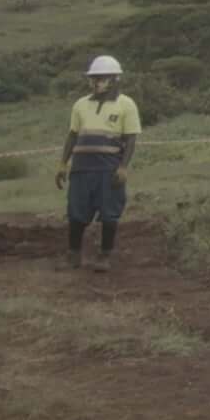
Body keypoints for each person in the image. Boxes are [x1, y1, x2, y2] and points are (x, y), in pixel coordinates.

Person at [55, 55, 142, 271]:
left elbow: (131, 138)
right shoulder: (80, 105)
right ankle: (73, 256)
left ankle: (105, 256)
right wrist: (63, 164)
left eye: (101, 77)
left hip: (108, 169)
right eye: (94, 78)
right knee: (76, 212)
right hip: (81, 169)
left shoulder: (126, 105)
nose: (96, 81)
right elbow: (72, 135)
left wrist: (123, 167)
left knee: (109, 212)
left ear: (115, 79)